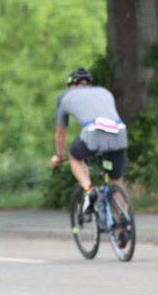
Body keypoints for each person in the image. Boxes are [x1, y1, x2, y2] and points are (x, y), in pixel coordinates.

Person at [50, 68, 129, 215]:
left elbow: (61, 133)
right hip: (120, 132)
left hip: (94, 132)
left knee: (74, 156)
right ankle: (123, 228)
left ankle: (89, 190)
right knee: (116, 181)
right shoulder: (104, 92)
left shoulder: (65, 97)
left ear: (71, 85)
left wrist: (58, 157)